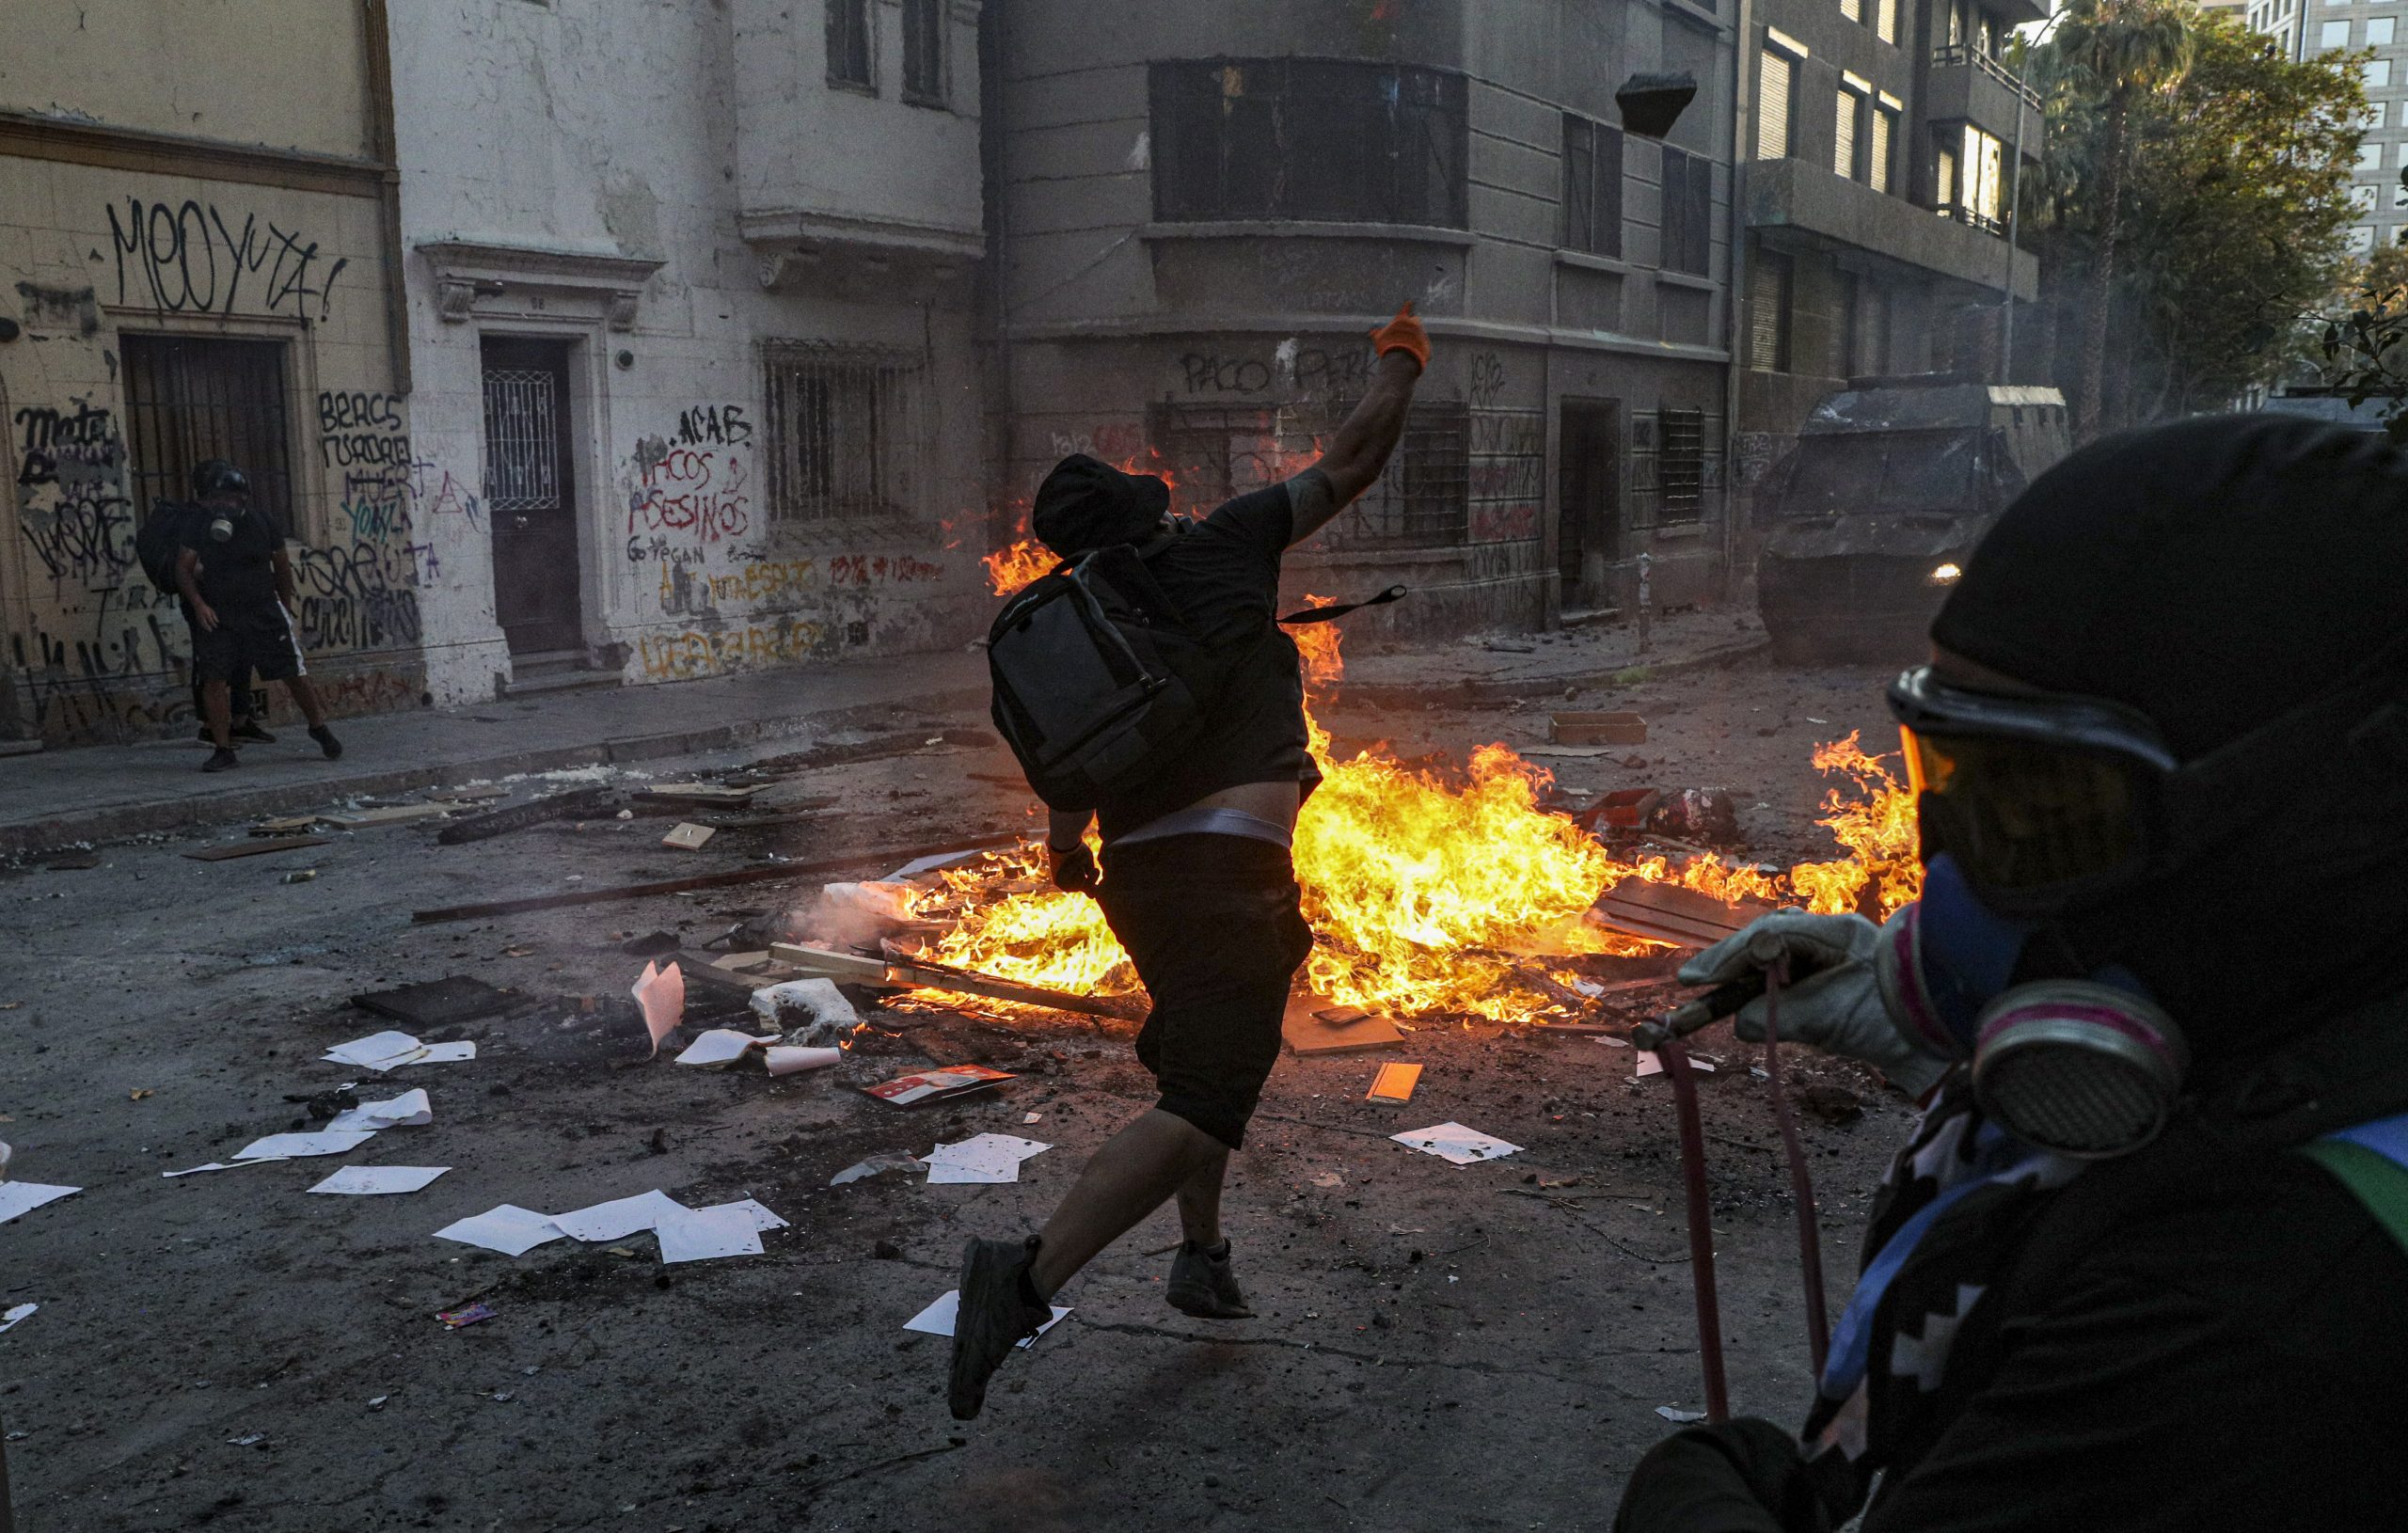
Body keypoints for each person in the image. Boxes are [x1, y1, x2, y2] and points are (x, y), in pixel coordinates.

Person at [1614, 414, 2408, 1531]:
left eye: (2039, 811)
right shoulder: (2298, 1021)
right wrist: (1910, 997)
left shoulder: (2263, 1317)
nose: (1956, 882)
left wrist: (1697, 1493)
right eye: (1952, 778)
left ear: (2330, 820)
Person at [946, 304, 1433, 1420]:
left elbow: (1065, 796)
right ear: (1144, 510)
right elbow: (1356, 455)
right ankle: (1018, 1284)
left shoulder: (1073, 627)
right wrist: (1400, 359)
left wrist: (1070, 858)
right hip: (1227, 880)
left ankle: (1201, 1255)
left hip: (1146, 893)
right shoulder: (1226, 541)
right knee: (1211, 1091)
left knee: (1201, 1066)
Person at [175, 460, 342, 772]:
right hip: (219, 613)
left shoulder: (262, 522)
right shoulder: (199, 524)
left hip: (262, 609)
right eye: (218, 499)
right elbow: (182, 569)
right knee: (214, 680)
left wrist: (284, 607)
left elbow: (281, 567)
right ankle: (224, 748)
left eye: (231, 499)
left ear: (243, 499)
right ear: (209, 500)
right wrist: (200, 605)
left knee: (292, 671)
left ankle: (318, 726)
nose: (224, 505)